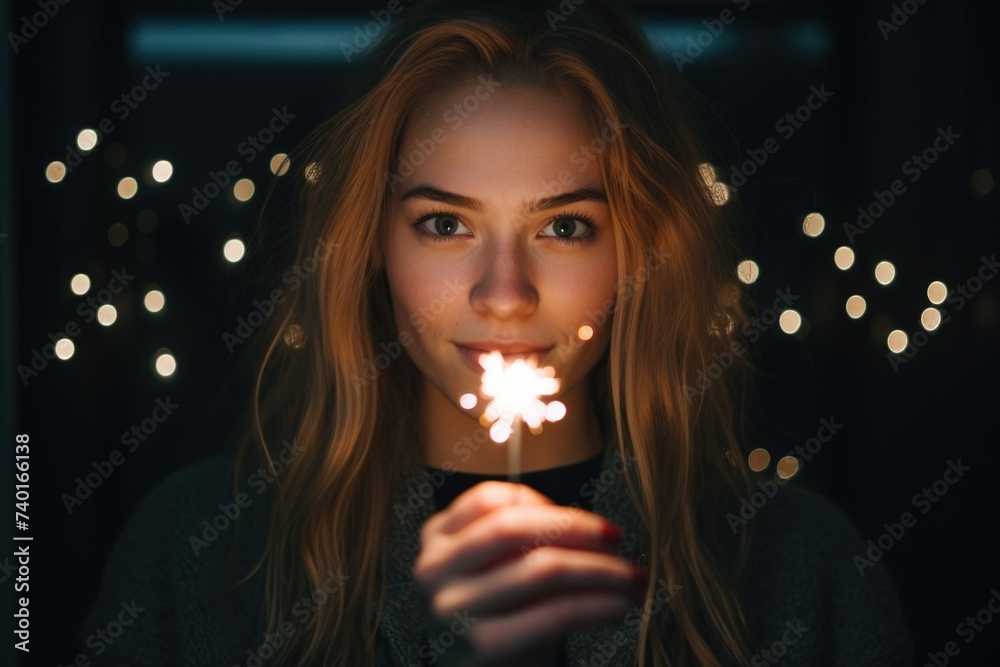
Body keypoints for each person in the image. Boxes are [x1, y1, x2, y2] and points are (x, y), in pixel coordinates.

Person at [79, 1, 913, 665]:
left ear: (642, 249)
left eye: (565, 227)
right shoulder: (202, 554)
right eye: (445, 223)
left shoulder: (803, 572)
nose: (503, 293)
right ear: (374, 246)